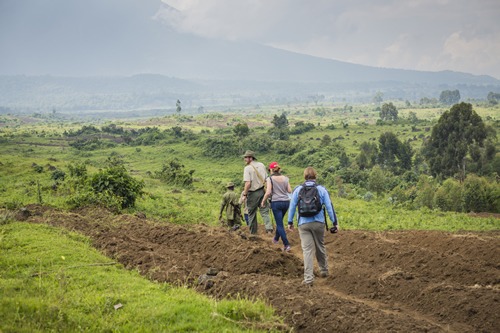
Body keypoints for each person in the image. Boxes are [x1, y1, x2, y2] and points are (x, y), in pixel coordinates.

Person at [287, 167, 338, 287]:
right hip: (319, 222)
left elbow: (293, 206)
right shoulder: (321, 189)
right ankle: (324, 270)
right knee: (320, 246)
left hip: (303, 224)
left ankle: (308, 278)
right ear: (315, 176)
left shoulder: (298, 189)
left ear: (304, 176)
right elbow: (329, 207)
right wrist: (334, 222)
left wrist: (290, 222)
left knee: (307, 250)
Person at [261, 161, 292, 251]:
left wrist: (263, 201)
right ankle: (275, 239)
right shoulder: (285, 178)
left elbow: (268, 192)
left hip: (276, 203)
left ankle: (286, 244)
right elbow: (289, 190)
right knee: (280, 222)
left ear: (271, 170)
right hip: (286, 202)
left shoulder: (270, 179)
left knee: (279, 224)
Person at [241, 150, 273, 234]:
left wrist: (244, 194)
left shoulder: (247, 168)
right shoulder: (261, 165)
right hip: (262, 191)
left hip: (253, 193)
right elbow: (266, 178)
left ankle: (253, 232)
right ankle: (269, 229)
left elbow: (248, 183)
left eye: (246, 157)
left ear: (250, 158)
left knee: (251, 213)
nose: (245, 159)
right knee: (264, 211)